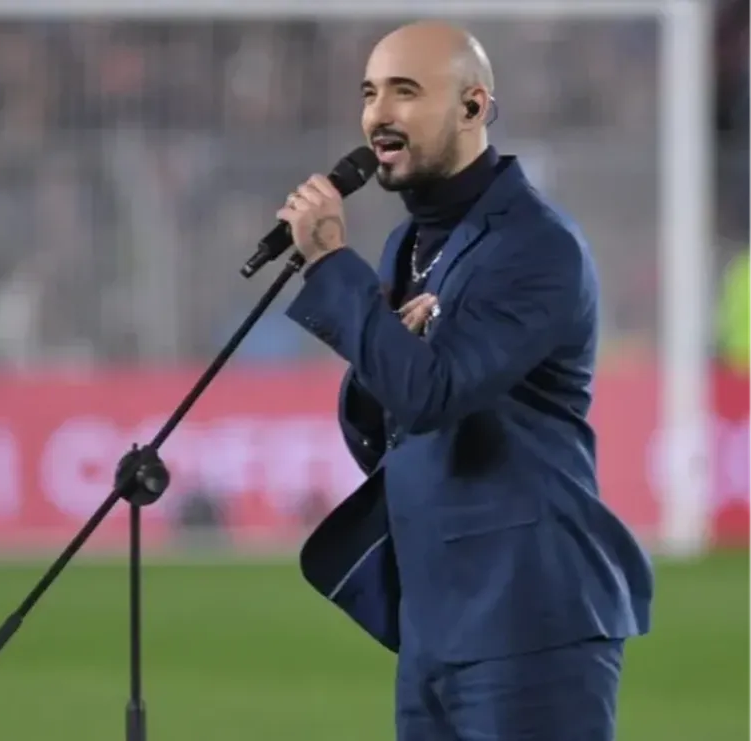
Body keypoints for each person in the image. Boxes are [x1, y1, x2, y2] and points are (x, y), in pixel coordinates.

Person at [276, 21, 654, 741]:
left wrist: (329, 263)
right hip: (436, 621)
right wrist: (385, 345)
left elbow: (433, 395)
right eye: (370, 92)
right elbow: (393, 412)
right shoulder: (407, 243)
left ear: (474, 107)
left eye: (405, 92)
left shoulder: (536, 246)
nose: (377, 114)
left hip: (530, 616)